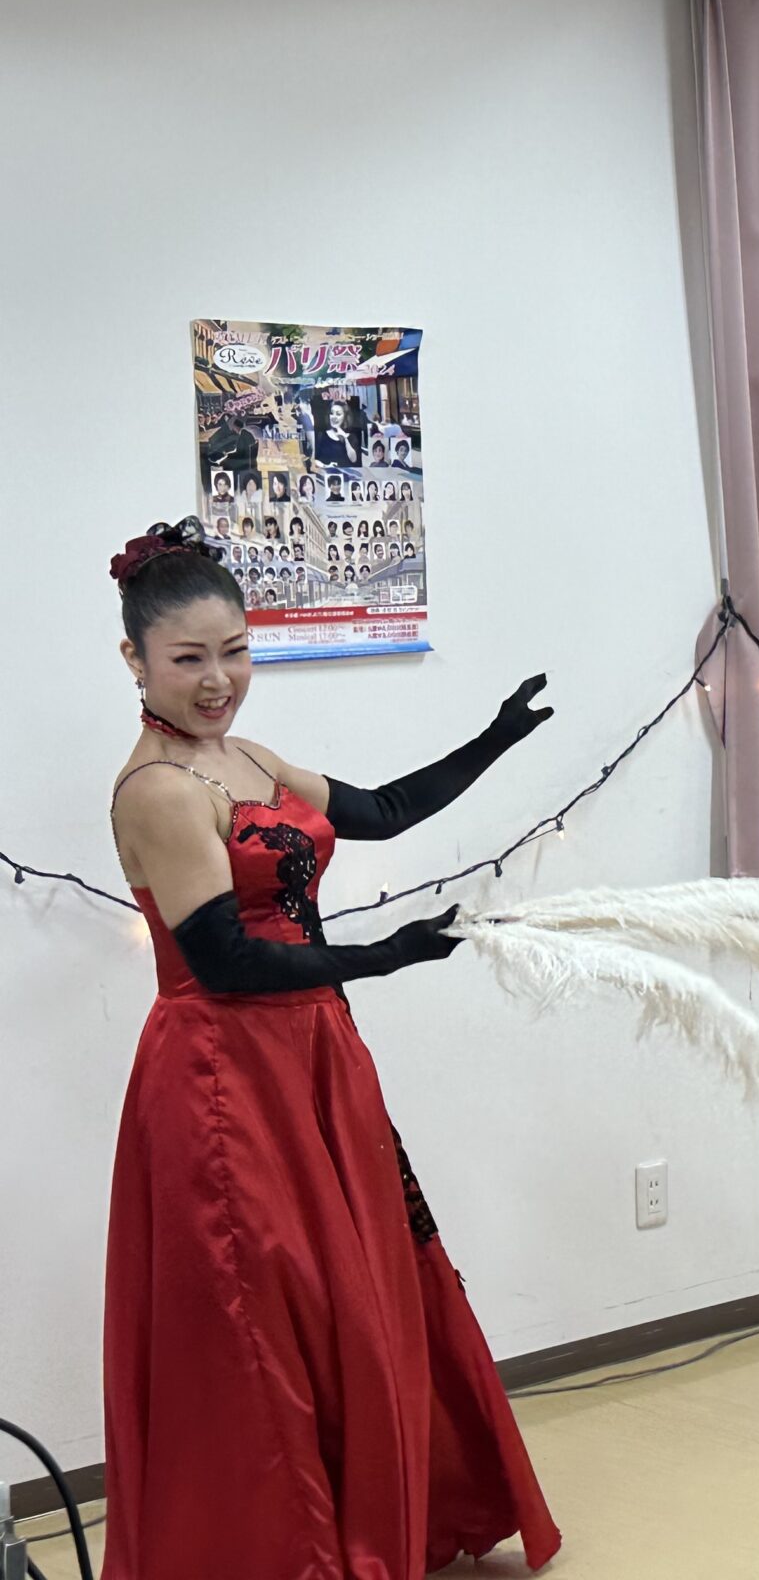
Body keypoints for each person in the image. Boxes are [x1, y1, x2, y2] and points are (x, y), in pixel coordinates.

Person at [101, 519, 563, 1575]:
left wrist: (494, 739)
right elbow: (224, 962)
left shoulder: (246, 757)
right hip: (223, 1074)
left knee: (352, 1283)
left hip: (313, 1049)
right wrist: (385, 956)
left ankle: (375, 1513)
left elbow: (381, 812)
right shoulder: (158, 790)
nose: (218, 681)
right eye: (188, 659)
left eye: (235, 651)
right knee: (267, 1304)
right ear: (135, 658)